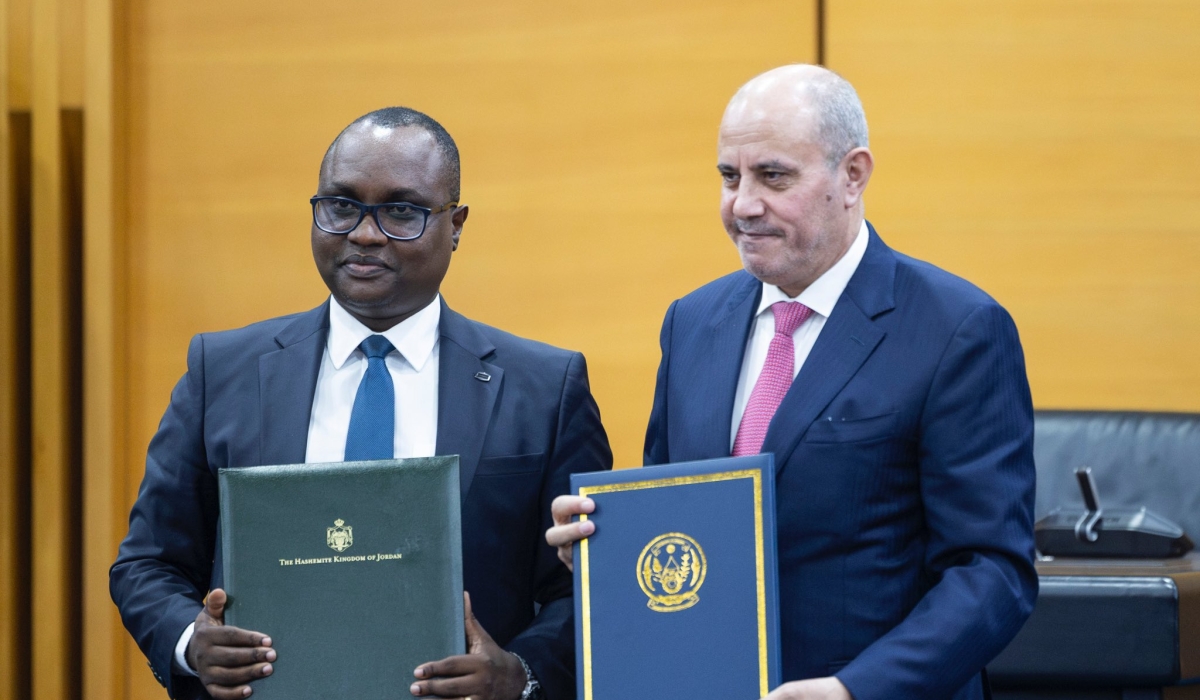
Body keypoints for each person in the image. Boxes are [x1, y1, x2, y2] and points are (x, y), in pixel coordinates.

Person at [546, 64, 1037, 700]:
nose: (743, 205)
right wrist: (608, 548)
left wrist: (855, 689)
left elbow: (991, 572)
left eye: (773, 176)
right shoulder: (692, 322)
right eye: (730, 176)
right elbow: (682, 522)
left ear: (852, 175)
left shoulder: (957, 329)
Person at [111, 107, 612, 700]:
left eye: (401, 211)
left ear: (455, 225)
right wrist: (190, 645)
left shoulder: (545, 388)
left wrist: (518, 675)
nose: (365, 234)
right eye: (341, 205)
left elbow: (585, 585)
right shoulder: (222, 372)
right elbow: (148, 563)